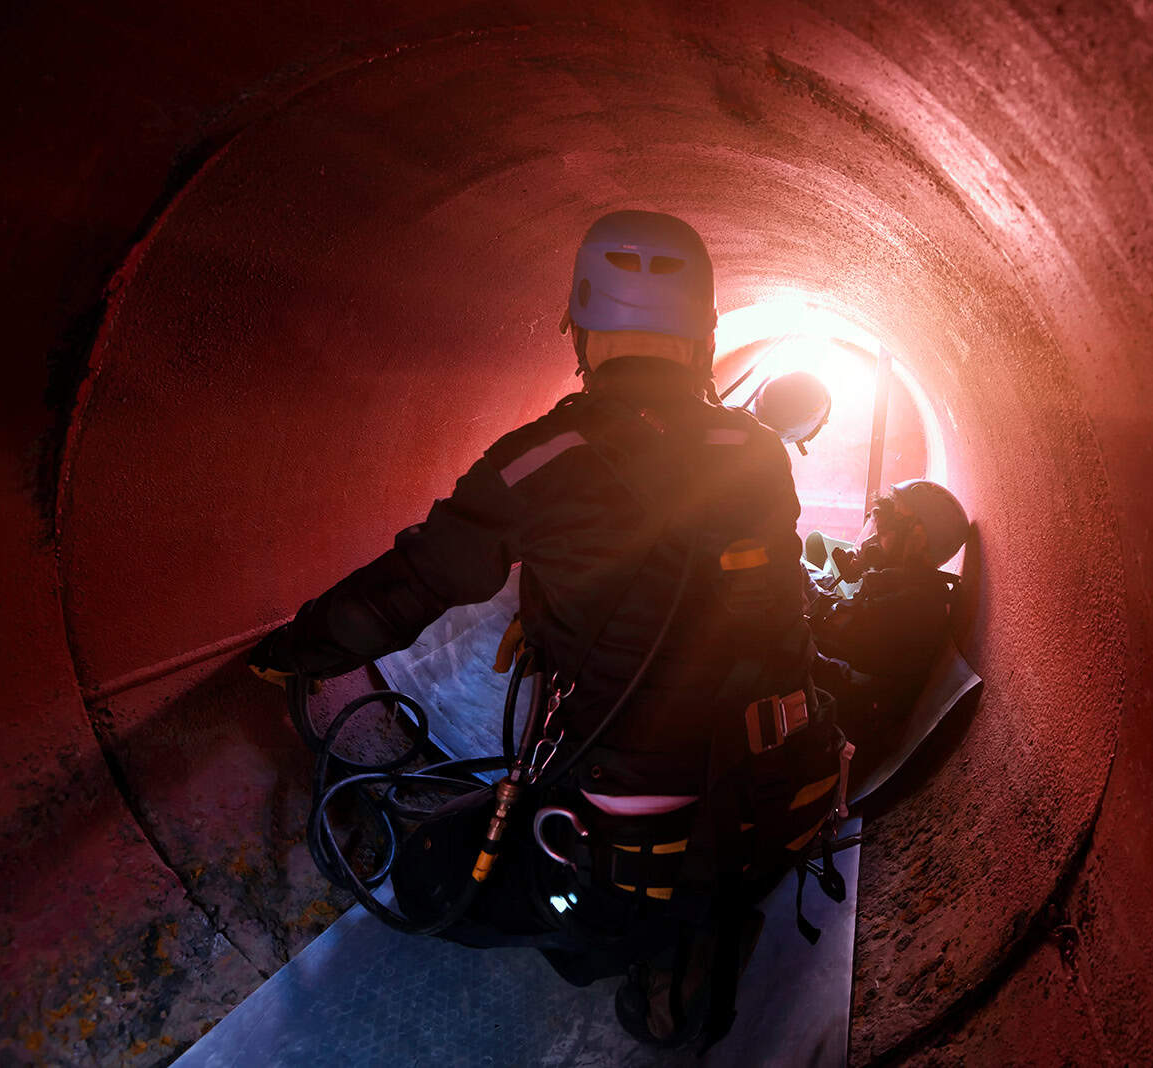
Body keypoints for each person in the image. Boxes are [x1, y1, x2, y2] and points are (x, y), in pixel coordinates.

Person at [248, 210, 847, 1049]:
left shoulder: (539, 458)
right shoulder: (754, 450)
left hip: (623, 820)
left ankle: (625, 931)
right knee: (688, 873)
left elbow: (414, 584)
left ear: (583, 326)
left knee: (430, 876)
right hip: (773, 794)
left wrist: (293, 652)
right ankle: (694, 922)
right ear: (703, 332)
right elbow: (744, 602)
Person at [804, 479, 969, 786]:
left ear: (918, 539)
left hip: (844, 720)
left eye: (889, 519)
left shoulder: (911, 605)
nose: (877, 525)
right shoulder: (906, 586)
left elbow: (825, 632)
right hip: (840, 689)